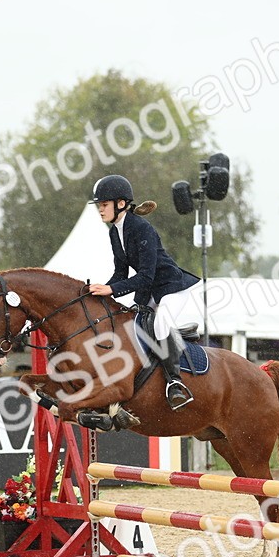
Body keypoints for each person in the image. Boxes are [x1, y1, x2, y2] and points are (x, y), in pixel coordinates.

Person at [87, 174, 201, 410]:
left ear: (120, 204)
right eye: (99, 205)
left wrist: (111, 289)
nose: (100, 209)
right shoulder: (114, 232)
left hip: (171, 287)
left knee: (160, 326)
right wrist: (101, 293)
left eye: (104, 204)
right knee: (130, 325)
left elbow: (146, 275)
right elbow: (121, 273)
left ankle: (175, 383)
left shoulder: (142, 228)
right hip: (148, 290)